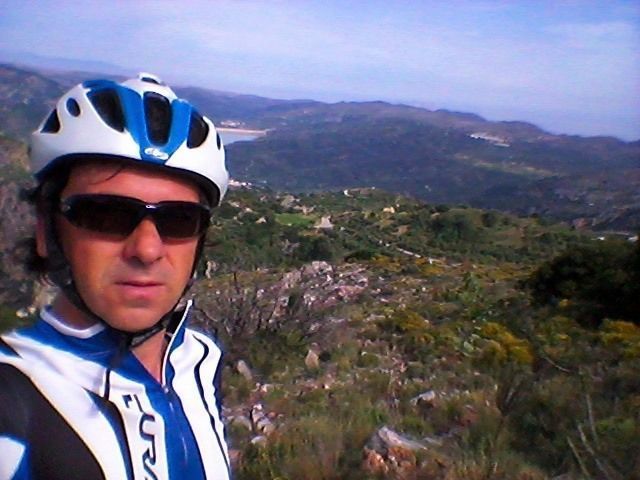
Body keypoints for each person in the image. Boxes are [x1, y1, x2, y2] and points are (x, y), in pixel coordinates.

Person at [0, 73, 231, 479]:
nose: (147, 250)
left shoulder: (199, 360)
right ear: (46, 233)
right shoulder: (13, 398)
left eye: (179, 220)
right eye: (106, 215)